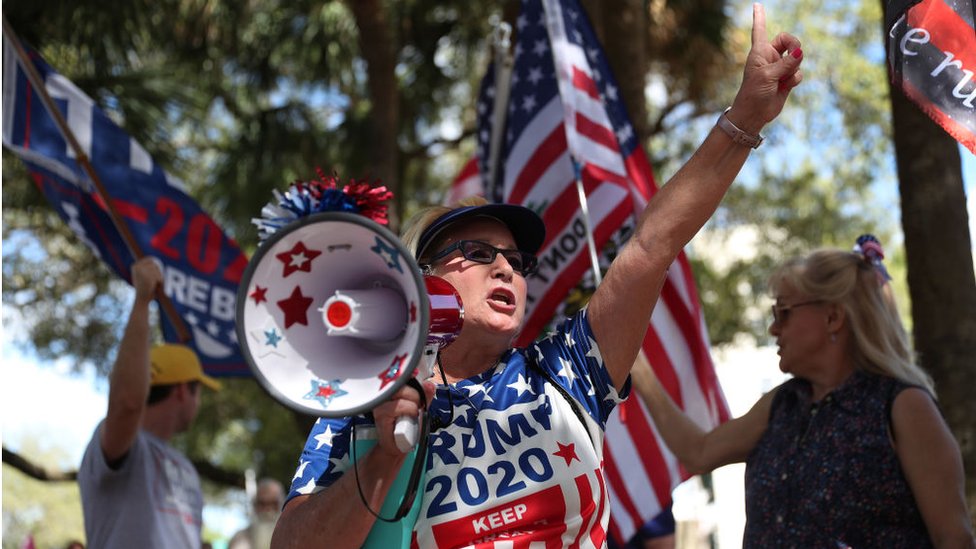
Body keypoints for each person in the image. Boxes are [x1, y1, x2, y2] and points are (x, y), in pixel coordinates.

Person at [273, 5, 804, 547]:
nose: (506, 267)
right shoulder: (360, 412)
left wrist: (744, 118)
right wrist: (385, 453)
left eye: (517, 262)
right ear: (418, 277)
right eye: (478, 253)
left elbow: (652, 244)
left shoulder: (566, 370)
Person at [631, 242, 976, 547]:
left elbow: (954, 539)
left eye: (783, 312)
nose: (773, 328)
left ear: (833, 317)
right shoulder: (781, 404)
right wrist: (636, 366)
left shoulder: (902, 405)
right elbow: (698, 452)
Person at [78, 257, 222, 548]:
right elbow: (128, 403)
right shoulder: (126, 447)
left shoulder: (186, 468)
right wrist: (142, 301)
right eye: (199, 392)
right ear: (183, 390)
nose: (199, 403)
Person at [229, 478, 286, 549]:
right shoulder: (239, 539)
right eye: (262, 504)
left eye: (273, 504)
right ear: (254, 505)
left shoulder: (294, 537)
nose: (268, 510)